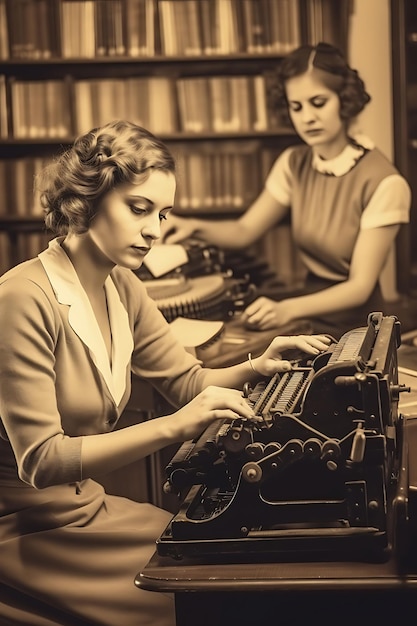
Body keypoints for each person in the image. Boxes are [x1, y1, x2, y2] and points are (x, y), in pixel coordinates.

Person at [0, 120, 331, 626]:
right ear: (86, 200)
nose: (154, 230)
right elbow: (42, 460)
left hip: (85, 507)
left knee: (233, 560)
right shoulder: (21, 299)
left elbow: (186, 383)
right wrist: (175, 426)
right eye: (139, 209)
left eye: (163, 213)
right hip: (27, 529)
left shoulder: (124, 286)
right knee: (207, 592)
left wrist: (255, 365)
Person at [162, 42, 411, 339]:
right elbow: (244, 231)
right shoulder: (294, 162)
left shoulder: (385, 182)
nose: (307, 117)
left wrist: (286, 309)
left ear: (344, 101)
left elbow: (359, 287)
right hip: (307, 310)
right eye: (297, 107)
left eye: (318, 103)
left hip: (357, 326)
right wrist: (191, 226)